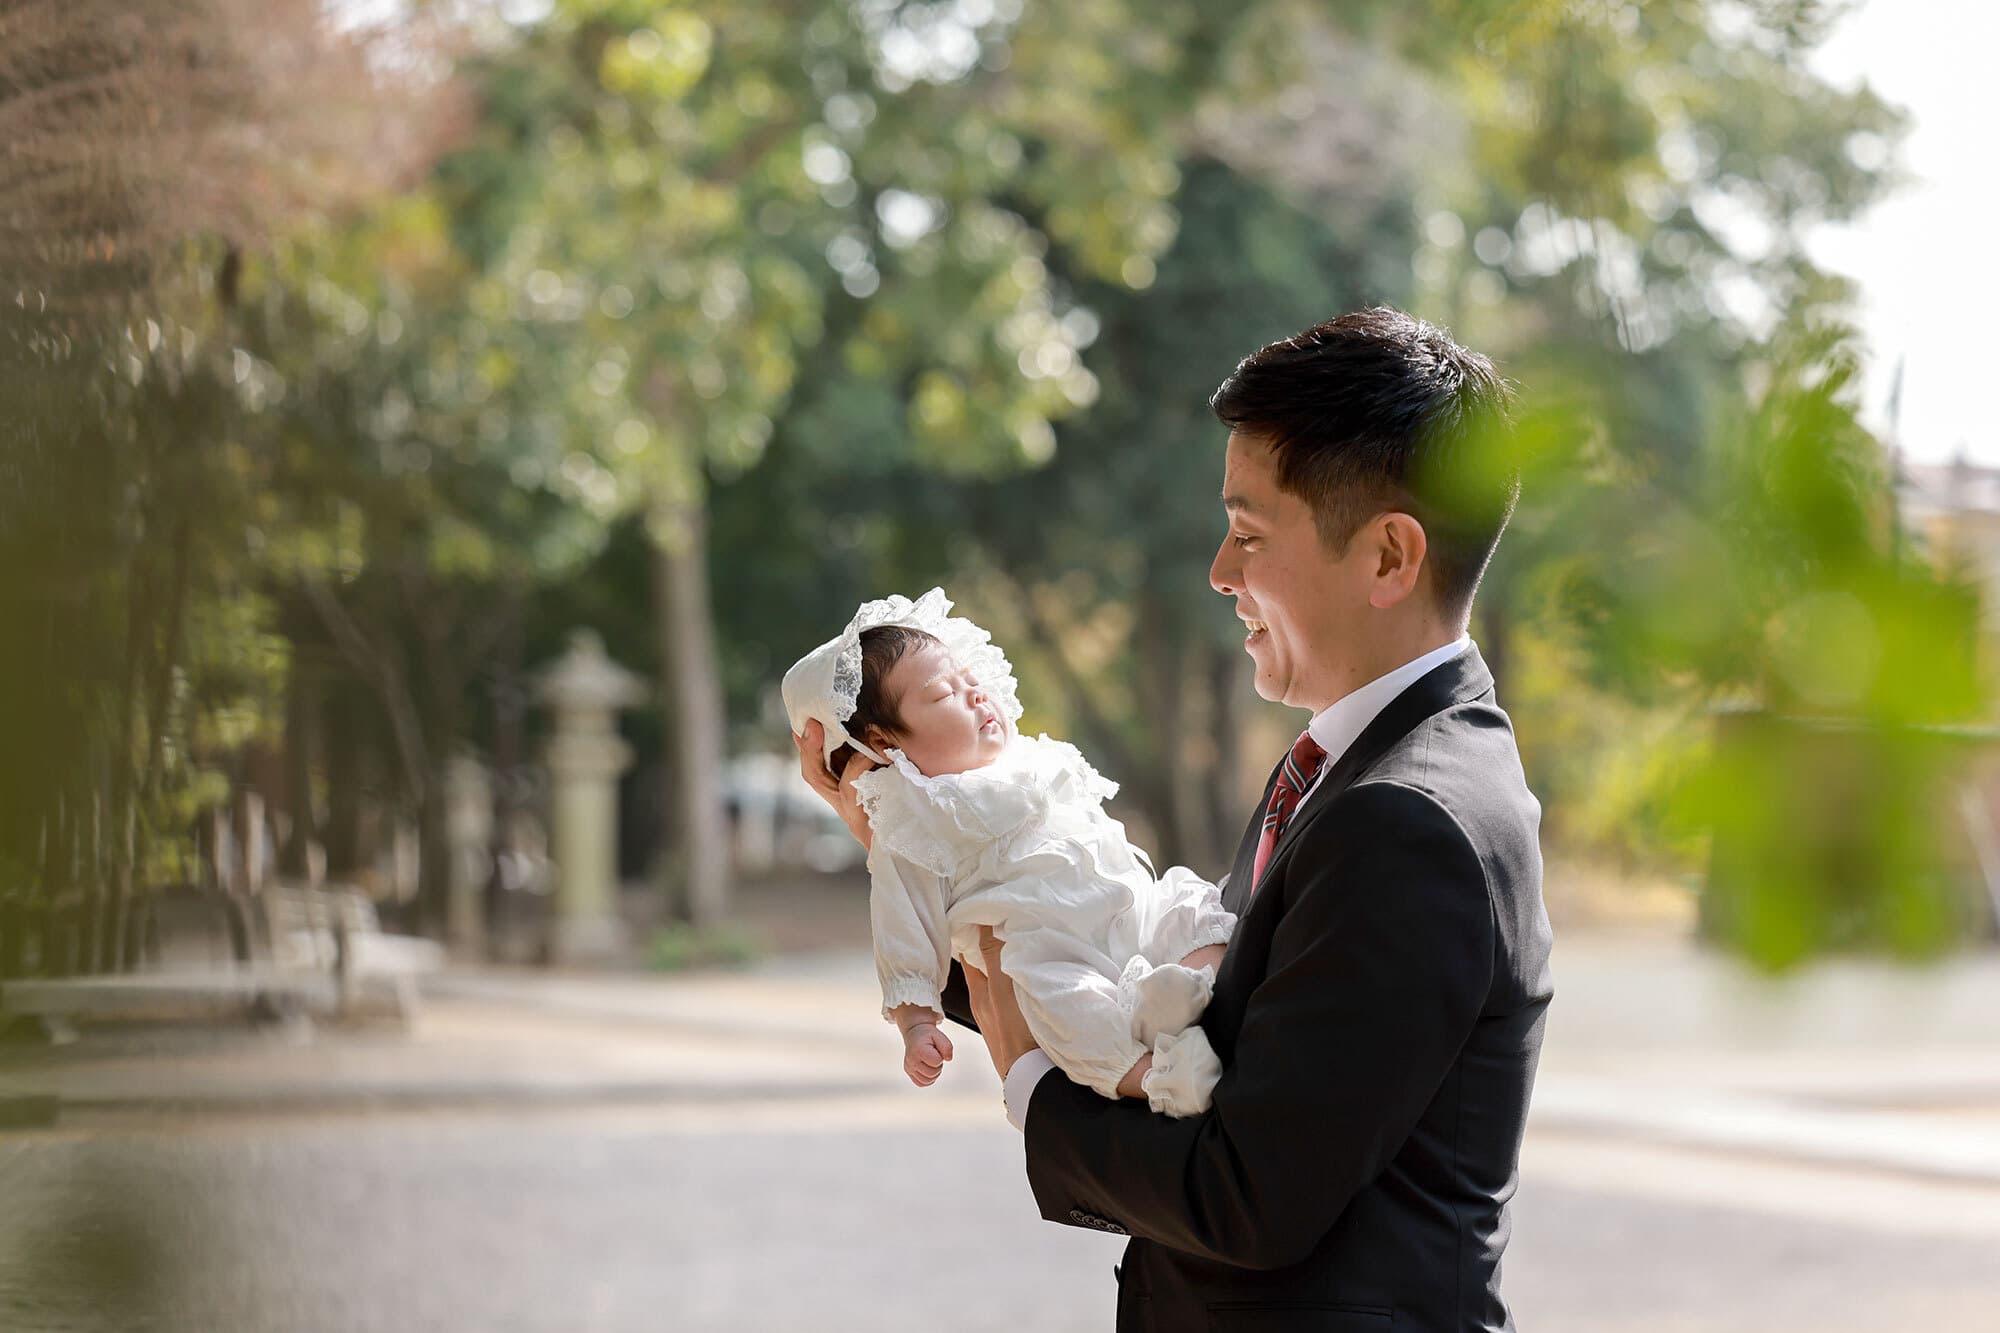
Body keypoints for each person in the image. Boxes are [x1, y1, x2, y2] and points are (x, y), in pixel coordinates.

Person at [795, 307, 1552, 1333]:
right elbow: (1183, 1013)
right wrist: (919, 848)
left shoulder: (1407, 818)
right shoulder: (1358, 764)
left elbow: (1245, 1196)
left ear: (1386, 558)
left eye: (1246, 532)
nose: (1218, 571)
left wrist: (1029, 1081)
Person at [782, 587, 1237, 1116]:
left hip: (1134, 909)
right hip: (1050, 948)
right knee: (1061, 1011)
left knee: (1191, 898)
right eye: (943, 695)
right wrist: (917, 1022)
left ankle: (1182, 987)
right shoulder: (912, 819)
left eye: (971, 680)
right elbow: (902, 922)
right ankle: (1161, 1078)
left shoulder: (1027, 757)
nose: (975, 694)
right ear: (886, 744)